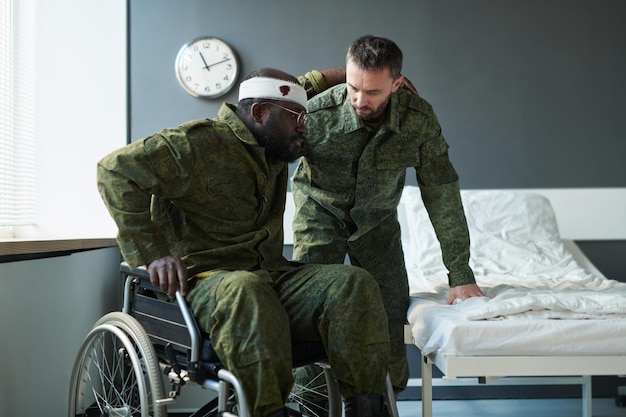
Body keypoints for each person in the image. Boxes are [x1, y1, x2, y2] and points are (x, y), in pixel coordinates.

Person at [97, 68, 391, 417]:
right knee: (246, 289)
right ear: (258, 113)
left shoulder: (274, 142)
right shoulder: (196, 143)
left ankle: (367, 409)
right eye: (296, 117)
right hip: (205, 284)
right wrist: (152, 253)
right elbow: (114, 170)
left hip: (269, 276)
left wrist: (350, 73)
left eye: (304, 117)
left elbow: (292, 90)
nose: (304, 127)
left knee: (352, 283)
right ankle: (268, 412)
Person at [291, 35, 485, 396]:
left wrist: (460, 274)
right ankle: (311, 404)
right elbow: (266, 103)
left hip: (377, 226)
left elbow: (441, 192)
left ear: (397, 84)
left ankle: (380, 402)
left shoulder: (418, 121)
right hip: (319, 217)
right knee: (309, 315)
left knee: (389, 312)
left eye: (373, 92)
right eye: (352, 88)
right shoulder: (314, 114)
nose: (360, 101)